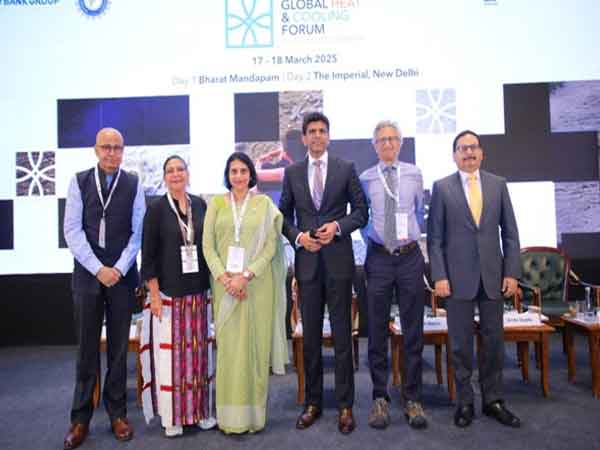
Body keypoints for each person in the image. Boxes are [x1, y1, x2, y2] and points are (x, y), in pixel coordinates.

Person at [279, 112, 368, 435]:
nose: (317, 136)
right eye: (311, 132)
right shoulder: (292, 172)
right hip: (307, 265)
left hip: (340, 263)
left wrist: (338, 227)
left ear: (328, 136)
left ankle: (345, 406)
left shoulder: (346, 169)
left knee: (343, 336)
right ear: (303, 138)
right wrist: (300, 238)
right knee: (311, 338)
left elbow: (361, 212)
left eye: (322, 131)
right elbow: (282, 217)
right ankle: (313, 403)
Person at [427, 130, 521, 429]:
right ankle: (465, 402)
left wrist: (511, 272)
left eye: (473, 147)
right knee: (460, 345)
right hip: (456, 280)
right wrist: (439, 276)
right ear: (454, 155)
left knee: (494, 343)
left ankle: (493, 400)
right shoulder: (442, 188)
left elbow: (510, 233)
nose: (468, 153)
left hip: (494, 277)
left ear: (481, 153)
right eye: (462, 148)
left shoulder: (498, 185)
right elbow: (435, 239)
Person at [63, 128, 146, 449]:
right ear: (95, 150)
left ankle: (117, 413)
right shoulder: (78, 181)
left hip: (122, 277)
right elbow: (71, 230)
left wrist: (119, 269)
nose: (112, 153)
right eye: (106, 147)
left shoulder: (134, 183)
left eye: (117, 148)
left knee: (118, 349)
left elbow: (137, 233)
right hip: (87, 275)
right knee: (86, 349)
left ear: (123, 151)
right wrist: (98, 269)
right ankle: (80, 418)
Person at [202, 152, 288, 434]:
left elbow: (271, 247)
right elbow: (207, 247)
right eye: (233, 171)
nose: (238, 176)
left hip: (256, 286)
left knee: (255, 348)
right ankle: (229, 419)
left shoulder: (264, 204)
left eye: (243, 171)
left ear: (252, 174)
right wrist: (226, 278)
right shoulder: (215, 204)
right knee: (229, 350)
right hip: (225, 287)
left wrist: (246, 275)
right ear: (227, 175)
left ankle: (254, 419)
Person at [139, 155, 216, 437]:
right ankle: (173, 417)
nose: (175, 175)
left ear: (188, 173)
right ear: (164, 177)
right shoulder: (156, 209)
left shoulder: (200, 205)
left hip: (198, 293)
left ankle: (200, 412)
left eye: (180, 169)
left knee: (199, 357)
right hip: (169, 296)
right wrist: (155, 295)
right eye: (170, 171)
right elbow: (147, 256)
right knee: (173, 360)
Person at [359, 120, 427, 430]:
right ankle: (379, 398)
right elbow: (362, 218)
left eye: (392, 139)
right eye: (381, 140)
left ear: (400, 143)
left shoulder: (414, 173)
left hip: (410, 257)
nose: (387, 144)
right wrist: (377, 239)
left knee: (412, 328)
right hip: (379, 259)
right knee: (376, 328)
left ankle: (412, 398)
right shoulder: (366, 178)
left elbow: (418, 209)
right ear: (374, 146)